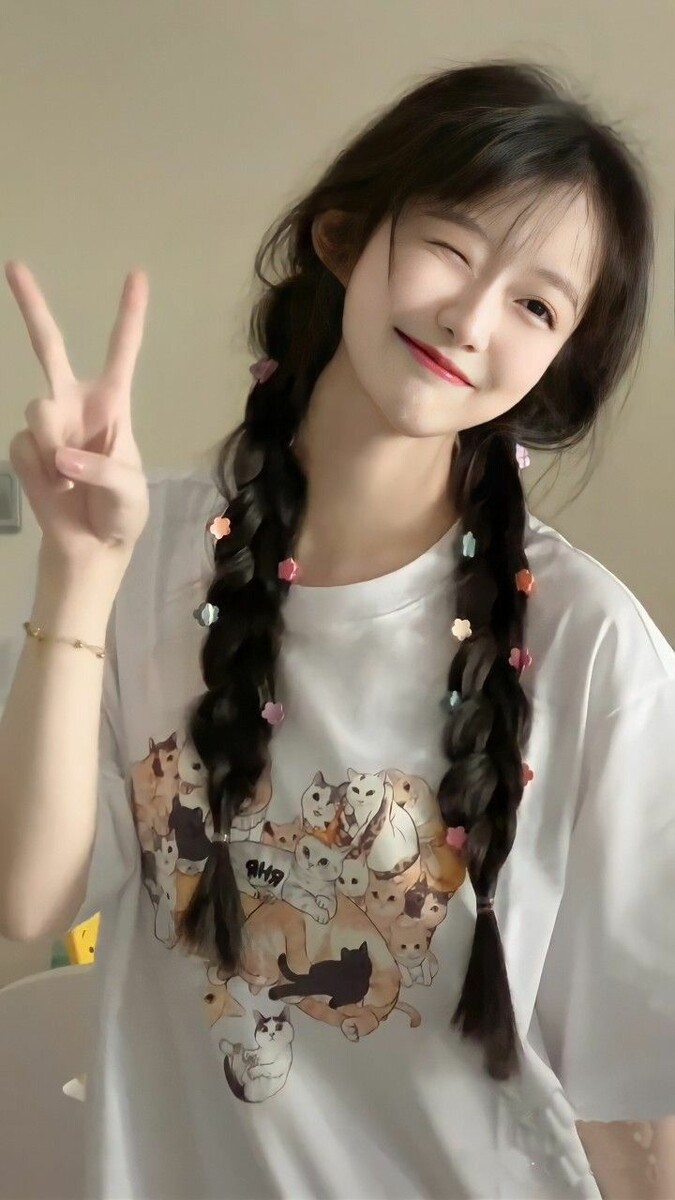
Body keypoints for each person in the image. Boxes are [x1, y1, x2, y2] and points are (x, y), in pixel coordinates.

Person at [2, 57, 674, 1200]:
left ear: (559, 362)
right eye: (452, 247)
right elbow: (27, 900)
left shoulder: (594, 648)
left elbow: (637, 1108)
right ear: (344, 236)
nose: (471, 318)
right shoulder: (139, 549)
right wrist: (75, 573)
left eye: (536, 306)